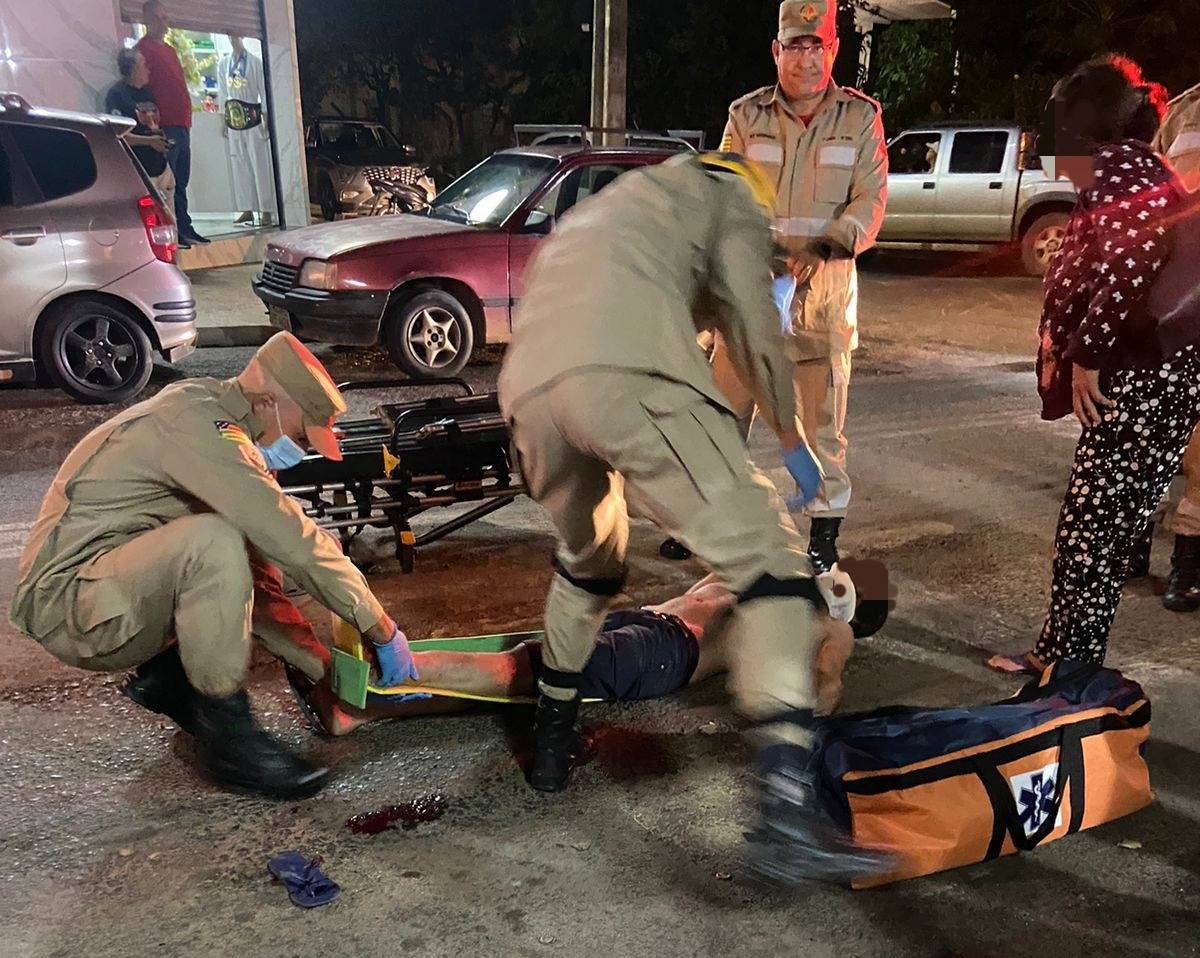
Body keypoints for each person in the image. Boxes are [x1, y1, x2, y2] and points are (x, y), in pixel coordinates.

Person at [496, 146, 891, 884]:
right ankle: (784, 816)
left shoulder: (611, 208)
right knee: (773, 566)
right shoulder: (731, 197)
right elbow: (750, 323)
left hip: (528, 395)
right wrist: (793, 442)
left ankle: (551, 751)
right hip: (629, 378)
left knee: (588, 566)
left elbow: (676, 296)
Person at [9, 332, 420, 800]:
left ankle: (171, 680)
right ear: (267, 401)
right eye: (302, 436)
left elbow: (259, 583)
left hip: (104, 588)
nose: (300, 451)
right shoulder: (200, 427)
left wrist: (329, 672)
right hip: (69, 606)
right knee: (211, 544)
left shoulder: (213, 413)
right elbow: (297, 541)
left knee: (231, 555)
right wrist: (381, 628)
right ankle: (230, 745)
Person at [987, 55, 1199, 674]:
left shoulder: (1115, 166)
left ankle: (1067, 677)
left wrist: (1088, 357)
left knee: (1090, 534)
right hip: (1156, 377)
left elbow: (1133, 259)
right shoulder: (1133, 165)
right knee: (1097, 531)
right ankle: (1062, 660)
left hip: (1140, 379)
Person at [703, 0, 888, 575]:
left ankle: (822, 541)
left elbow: (871, 199)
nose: (807, 59)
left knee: (821, 430)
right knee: (719, 420)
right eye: (796, 46)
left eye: (818, 46)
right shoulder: (746, 115)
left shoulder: (859, 119)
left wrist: (824, 248)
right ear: (776, 51)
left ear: (832, 50)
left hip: (822, 306)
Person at [286, 561, 893, 737]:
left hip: (664, 656)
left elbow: (827, 680)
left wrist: (807, 709)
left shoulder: (827, 626)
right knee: (519, 683)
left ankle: (369, 676)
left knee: (522, 671)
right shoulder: (777, 574)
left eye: (842, 580)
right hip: (648, 626)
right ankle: (362, 710)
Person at [1151, 82, 1200, 613]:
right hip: (1171, 300)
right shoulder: (1185, 109)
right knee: (1157, 430)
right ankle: (1135, 544)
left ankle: (1186, 564)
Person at [135, 0, 209, 248]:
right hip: (165, 125)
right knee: (169, 181)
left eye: (165, 18)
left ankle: (185, 227)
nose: (163, 23)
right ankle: (174, 230)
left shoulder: (169, 50)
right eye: (158, 18)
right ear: (147, 20)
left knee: (182, 180)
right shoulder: (142, 50)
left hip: (181, 123)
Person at [105, 49, 175, 212]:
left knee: (170, 218)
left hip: (161, 167)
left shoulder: (147, 93)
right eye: (144, 64)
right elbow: (118, 135)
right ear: (134, 68)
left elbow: (153, 123)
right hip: (141, 169)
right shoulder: (117, 95)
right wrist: (149, 142)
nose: (148, 69)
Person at [219, 37, 276, 226]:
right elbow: (222, 92)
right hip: (234, 117)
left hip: (252, 115)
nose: (233, 39)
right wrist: (223, 119)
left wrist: (266, 117)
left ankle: (266, 209)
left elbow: (263, 91)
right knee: (239, 164)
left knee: (258, 164)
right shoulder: (224, 64)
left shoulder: (255, 62)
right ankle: (247, 208)